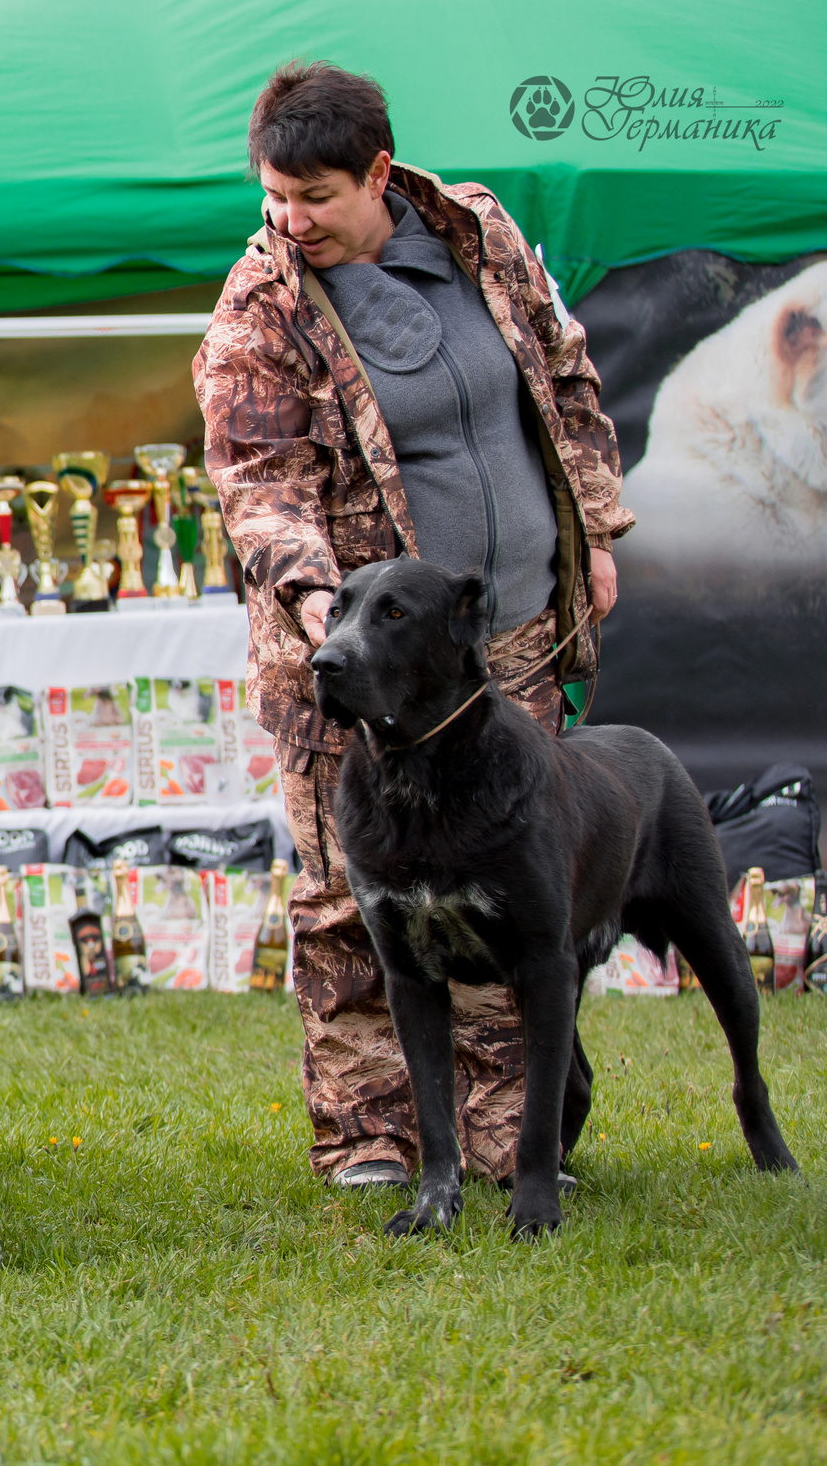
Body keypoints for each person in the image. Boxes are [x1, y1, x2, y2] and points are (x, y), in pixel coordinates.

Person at [192, 62, 632, 1190]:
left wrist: (595, 527)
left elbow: (565, 376)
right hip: (350, 657)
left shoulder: (477, 232)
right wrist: (319, 610)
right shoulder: (260, 306)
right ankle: (369, 1138)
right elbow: (257, 480)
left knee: (511, 885)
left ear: (379, 172)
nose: (290, 220)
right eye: (273, 195)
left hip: (504, 641)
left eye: (316, 197)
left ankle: (505, 1139)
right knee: (354, 899)